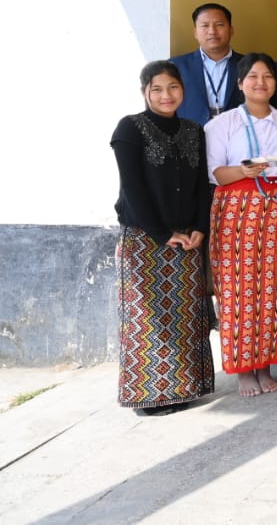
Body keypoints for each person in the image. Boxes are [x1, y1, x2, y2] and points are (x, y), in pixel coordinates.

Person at [110, 61, 214, 416]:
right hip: (145, 240)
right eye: (157, 89)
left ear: (182, 90)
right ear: (145, 92)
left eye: (173, 87)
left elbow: (202, 183)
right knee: (148, 318)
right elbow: (133, 187)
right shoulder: (130, 128)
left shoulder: (193, 129)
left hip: (187, 239)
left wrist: (201, 226)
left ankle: (184, 388)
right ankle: (150, 397)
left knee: (183, 315)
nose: (166, 95)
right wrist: (161, 233)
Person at [204, 53, 277, 397]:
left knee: (273, 289)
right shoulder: (223, 124)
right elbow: (215, 172)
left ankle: (266, 364)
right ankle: (244, 369)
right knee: (239, 291)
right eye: (253, 76)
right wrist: (243, 172)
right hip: (237, 211)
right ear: (240, 83)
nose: (261, 83)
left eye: (268, 76)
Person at [171, 3, 243, 125]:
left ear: (231, 30)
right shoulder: (176, 66)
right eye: (205, 25)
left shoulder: (248, 64)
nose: (212, 31)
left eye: (219, 25)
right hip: (191, 137)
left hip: (237, 136)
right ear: (195, 32)